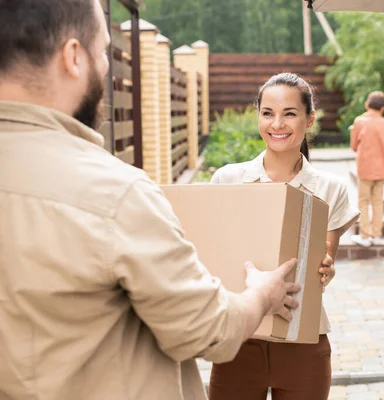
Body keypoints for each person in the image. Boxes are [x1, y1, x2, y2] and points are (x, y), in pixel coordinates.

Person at [0, 1, 301, 399]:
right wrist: (263, 294)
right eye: (103, 51)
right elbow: (208, 330)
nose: (106, 68)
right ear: (74, 57)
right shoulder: (113, 194)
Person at [208, 72, 360, 400]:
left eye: (289, 113)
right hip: (239, 339)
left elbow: (326, 257)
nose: (278, 124)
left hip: (303, 343)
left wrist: (327, 267)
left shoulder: (330, 189)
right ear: (258, 116)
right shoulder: (227, 179)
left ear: (310, 119)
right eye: (268, 113)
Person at [349, 91, 384, 248]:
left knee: (363, 201)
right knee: (378, 201)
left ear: (367, 105)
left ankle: (365, 235)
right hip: (382, 167)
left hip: (365, 167)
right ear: (383, 108)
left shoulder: (360, 121)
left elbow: (354, 146)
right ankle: (376, 234)